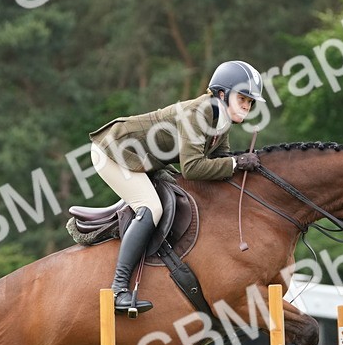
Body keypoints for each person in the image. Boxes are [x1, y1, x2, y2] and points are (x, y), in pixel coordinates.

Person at [89, 60, 267, 316]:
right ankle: (118, 290)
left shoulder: (222, 121)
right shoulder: (199, 113)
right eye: (243, 98)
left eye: (250, 102)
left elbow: (221, 160)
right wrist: (236, 163)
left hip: (144, 158)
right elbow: (193, 169)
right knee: (151, 207)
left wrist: (240, 165)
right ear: (221, 94)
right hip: (113, 151)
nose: (247, 106)